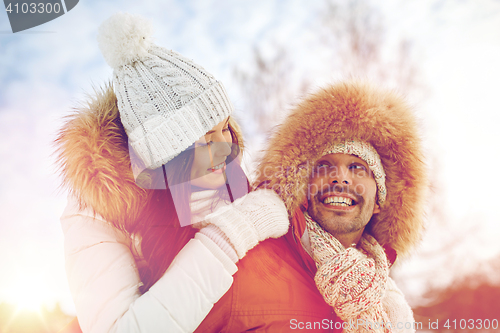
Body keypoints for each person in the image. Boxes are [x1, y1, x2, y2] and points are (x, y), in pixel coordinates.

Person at [55, 13, 288, 333]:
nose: (224, 147)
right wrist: (232, 234)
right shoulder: (93, 213)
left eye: (225, 128)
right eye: (206, 137)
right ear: (166, 151)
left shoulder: (213, 174)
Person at [195, 81, 427, 332]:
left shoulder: (393, 309)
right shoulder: (246, 262)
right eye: (324, 166)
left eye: (357, 167)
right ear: (304, 186)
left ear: (380, 202)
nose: (340, 178)